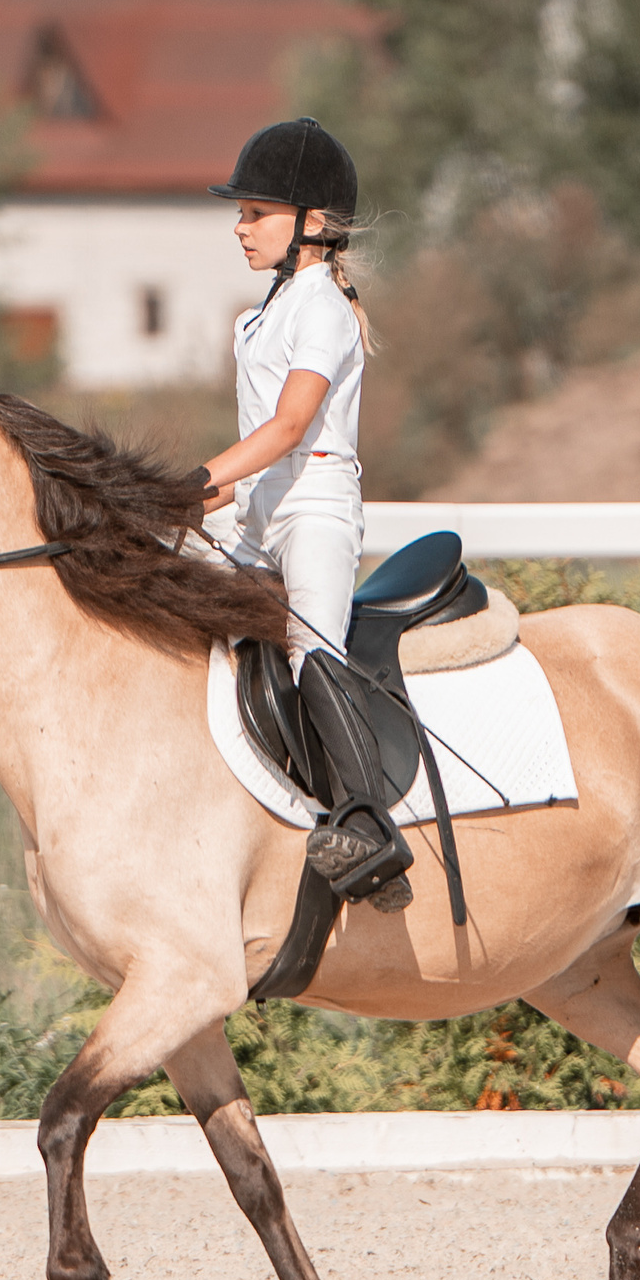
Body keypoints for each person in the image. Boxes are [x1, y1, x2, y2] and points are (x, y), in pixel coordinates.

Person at [199, 117, 412, 913]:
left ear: (311, 224)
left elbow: (289, 428)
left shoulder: (320, 307)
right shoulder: (260, 314)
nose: (240, 226)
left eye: (256, 212)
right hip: (257, 510)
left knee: (311, 650)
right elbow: (261, 447)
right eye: (241, 212)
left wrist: (200, 475)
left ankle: (369, 825)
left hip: (315, 505)